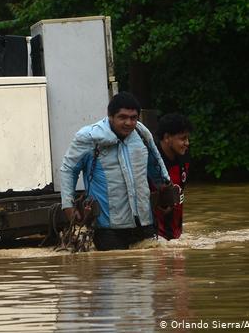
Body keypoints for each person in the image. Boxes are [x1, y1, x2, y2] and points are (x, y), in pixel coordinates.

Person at [59, 92, 171, 251]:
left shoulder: (141, 133)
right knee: (114, 270)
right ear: (110, 116)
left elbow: (155, 163)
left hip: (145, 221)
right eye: (122, 117)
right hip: (107, 228)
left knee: (148, 271)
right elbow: (68, 170)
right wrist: (68, 205)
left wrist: (165, 188)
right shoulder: (89, 137)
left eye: (133, 118)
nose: (129, 123)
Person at [153, 113, 192, 240]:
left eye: (188, 138)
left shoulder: (184, 157)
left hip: (176, 235)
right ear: (167, 137)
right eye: (183, 138)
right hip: (155, 235)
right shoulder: (150, 160)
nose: (187, 143)